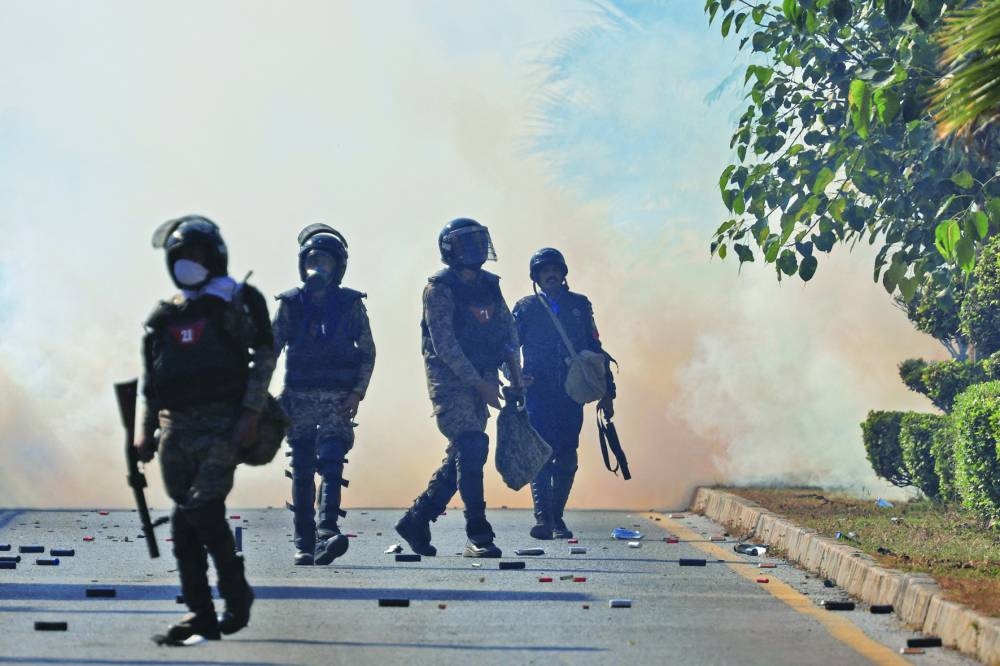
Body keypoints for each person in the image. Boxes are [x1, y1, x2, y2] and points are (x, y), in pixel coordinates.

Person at [136, 215, 276, 644]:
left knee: (198, 511)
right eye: (181, 258)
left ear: (215, 258)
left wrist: (251, 414)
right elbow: (152, 379)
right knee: (189, 520)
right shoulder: (166, 315)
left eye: (197, 257)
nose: (188, 265)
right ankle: (214, 608)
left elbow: (264, 357)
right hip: (175, 430)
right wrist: (145, 432)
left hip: (223, 425)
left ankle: (223, 601)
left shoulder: (238, 299)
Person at [395, 218, 522, 558]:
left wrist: (516, 376)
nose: (477, 249)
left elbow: (509, 332)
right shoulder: (439, 289)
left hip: (483, 378)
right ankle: (478, 534)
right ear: (451, 249)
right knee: (472, 446)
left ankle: (417, 519)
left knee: (464, 456)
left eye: (480, 242)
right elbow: (445, 345)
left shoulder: (489, 285)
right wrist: (479, 383)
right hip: (450, 381)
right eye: (468, 244)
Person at [272, 224, 376, 566]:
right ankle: (304, 542)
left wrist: (357, 393)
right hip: (298, 399)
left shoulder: (350, 305)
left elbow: (367, 351)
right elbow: (270, 350)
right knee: (302, 467)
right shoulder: (290, 304)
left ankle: (327, 531)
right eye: (313, 260)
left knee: (331, 461)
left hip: (336, 398)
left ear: (338, 267)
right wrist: (259, 396)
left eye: (326, 262)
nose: (319, 268)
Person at [512, 248, 616, 540]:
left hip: (571, 392)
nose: (550, 275)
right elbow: (509, 346)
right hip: (537, 392)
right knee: (542, 453)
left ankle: (557, 516)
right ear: (537, 277)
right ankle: (544, 518)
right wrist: (514, 376)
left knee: (568, 454)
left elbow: (595, 348)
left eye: (554, 269)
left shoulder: (579, 305)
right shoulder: (525, 308)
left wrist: (608, 391)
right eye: (544, 271)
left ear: (563, 273)